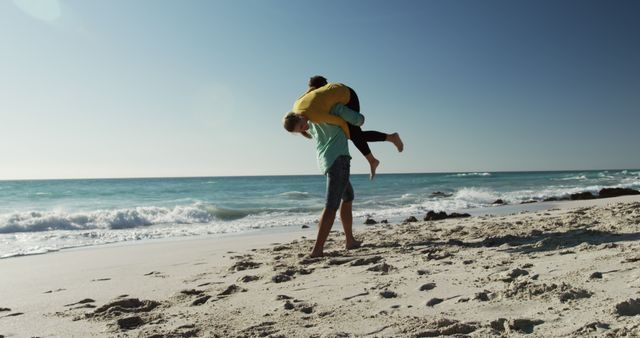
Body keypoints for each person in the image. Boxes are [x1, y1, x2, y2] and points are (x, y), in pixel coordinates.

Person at [282, 104, 364, 257]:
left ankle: (350, 240)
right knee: (331, 205)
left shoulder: (315, 116)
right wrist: (359, 119)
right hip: (338, 160)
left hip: (329, 162)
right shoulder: (318, 117)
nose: (303, 128)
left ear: (300, 116)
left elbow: (319, 100)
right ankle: (317, 249)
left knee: (348, 196)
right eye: (300, 129)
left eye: (301, 126)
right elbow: (338, 109)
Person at [291, 76, 403, 179]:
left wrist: (357, 121)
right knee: (355, 135)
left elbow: (339, 122)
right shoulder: (304, 102)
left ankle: (379, 152)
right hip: (343, 92)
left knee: (354, 134)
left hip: (349, 97)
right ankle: (378, 153)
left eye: (302, 127)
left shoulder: (315, 110)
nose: (304, 128)